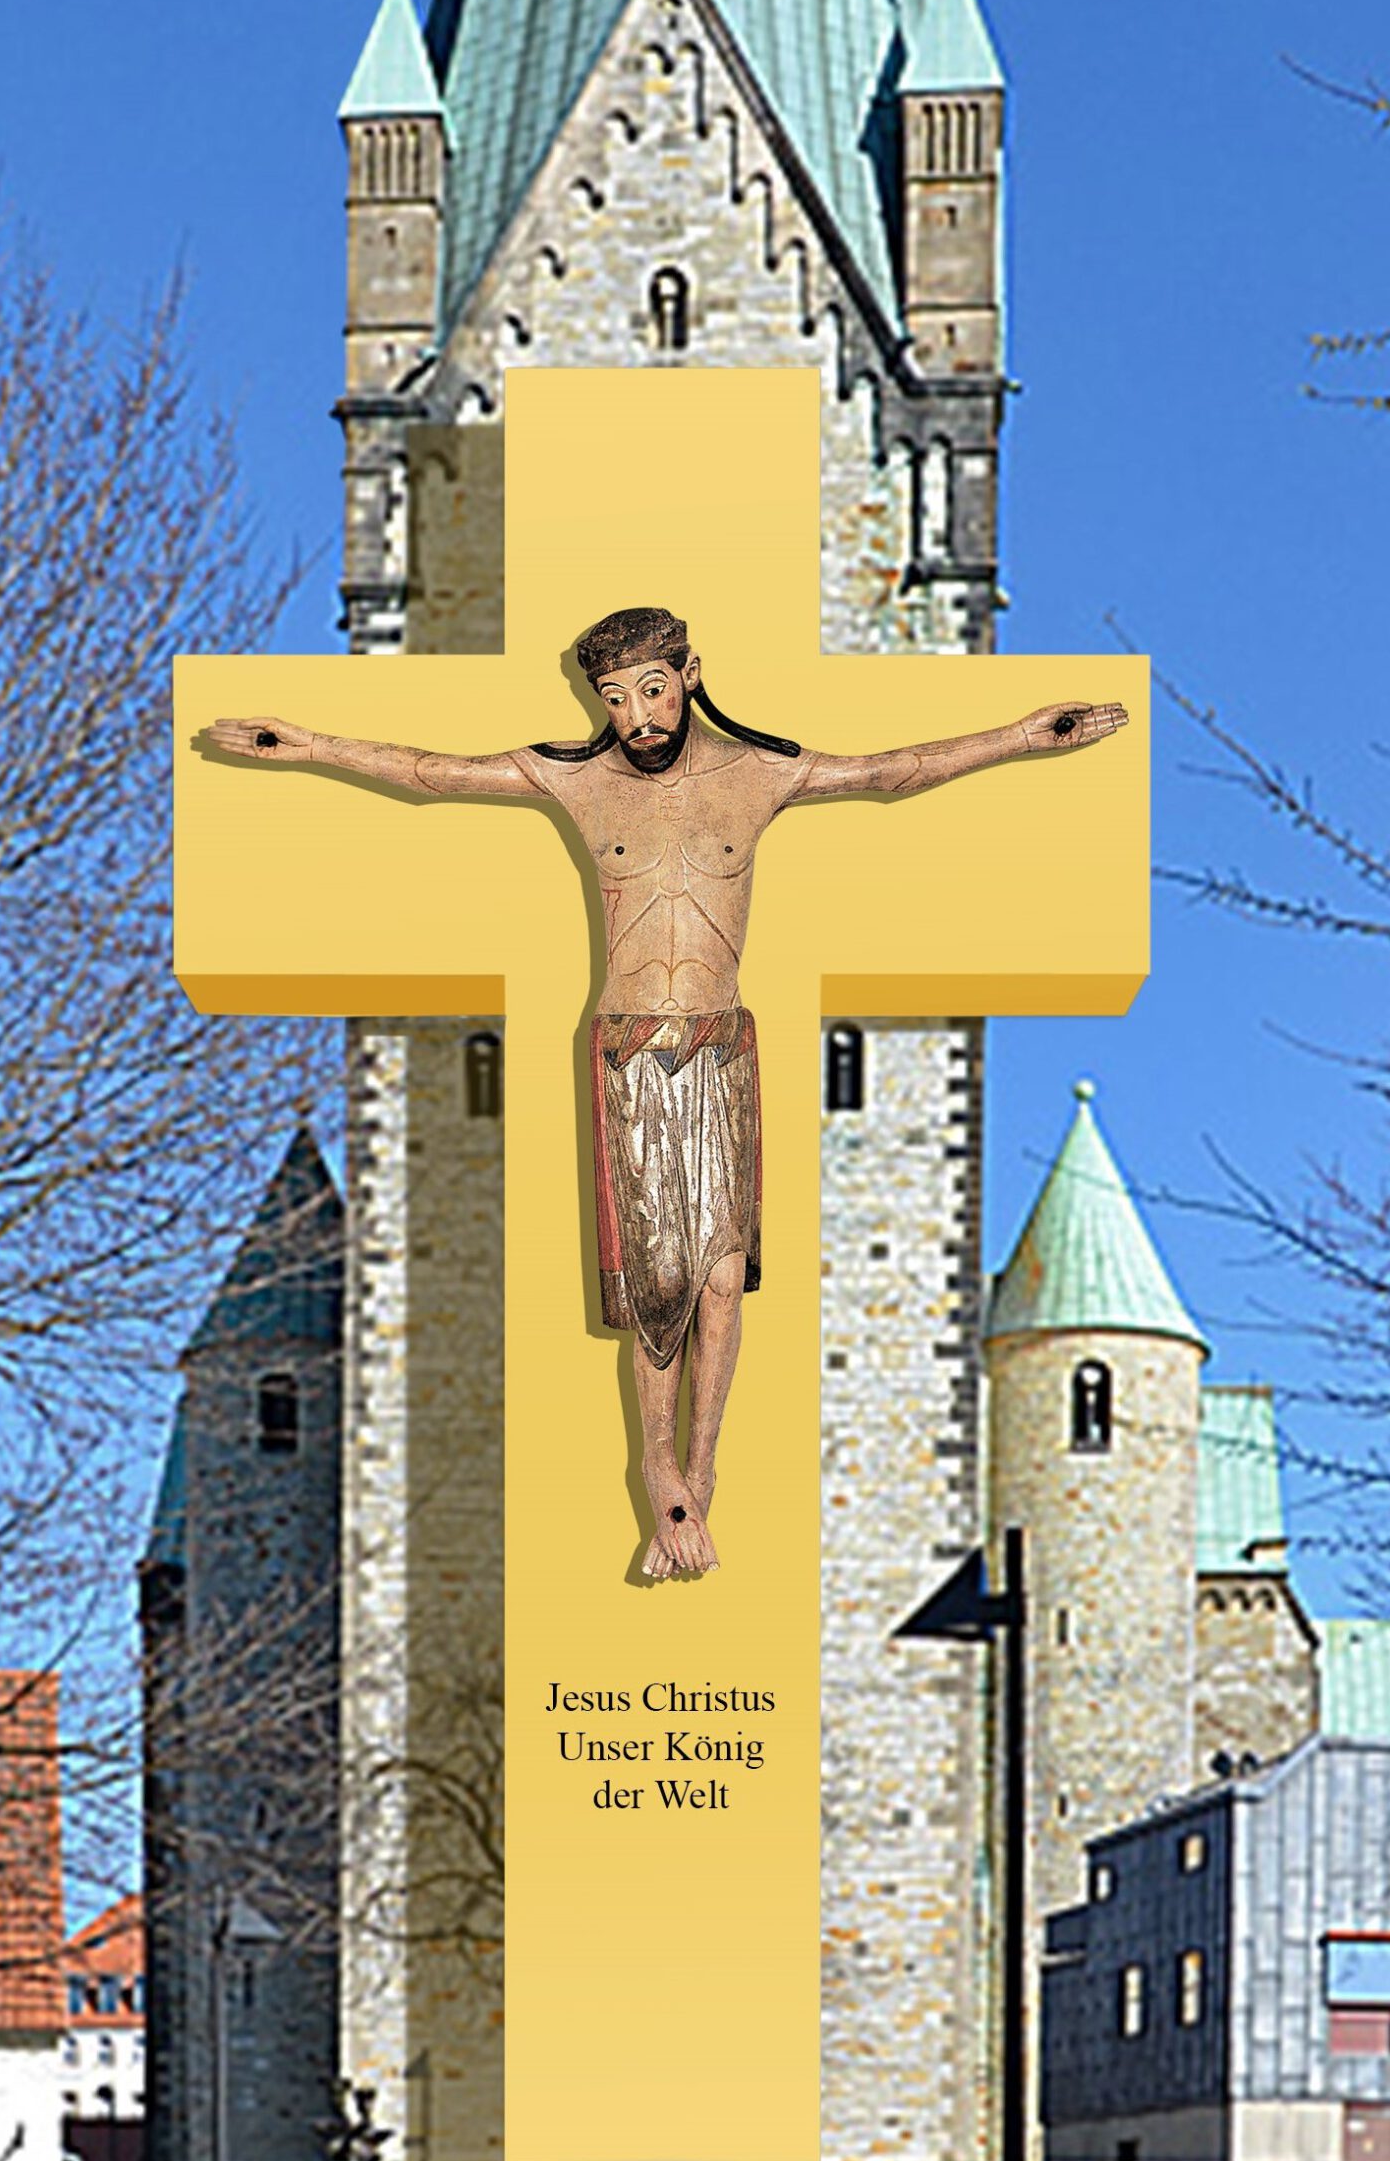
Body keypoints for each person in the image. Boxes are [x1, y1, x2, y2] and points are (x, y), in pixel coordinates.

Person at [206, 607, 1123, 1579]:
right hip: (630, 1050)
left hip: (721, 1045)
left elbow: (889, 773)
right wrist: (306, 745)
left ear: (689, 675)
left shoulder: (758, 775)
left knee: (723, 1280)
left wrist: (1023, 736)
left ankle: (700, 1472)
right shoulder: (578, 779)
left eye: (651, 690)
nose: (638, 717)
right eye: (614, 699)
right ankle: (658, 1470)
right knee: (660, 1288)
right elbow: (433, 775)